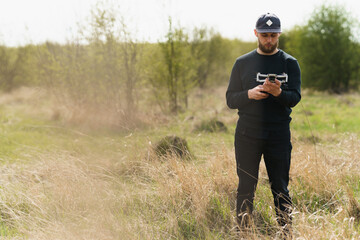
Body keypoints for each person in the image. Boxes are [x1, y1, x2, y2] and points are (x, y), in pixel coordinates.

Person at [226, 13, 301, 233]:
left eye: (273, 35)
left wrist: (278, 93)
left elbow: (295, 98)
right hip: (247, 134)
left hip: (278, 134)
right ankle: (243, 232)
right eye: (264, 35)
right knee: (246, 186)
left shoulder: (290, 63)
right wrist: (249, 94)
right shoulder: (242, 63)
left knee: (280, 187)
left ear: (279, 34)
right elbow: (230, 99)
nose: (269, 40)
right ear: (256, 33)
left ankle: (286, 233)